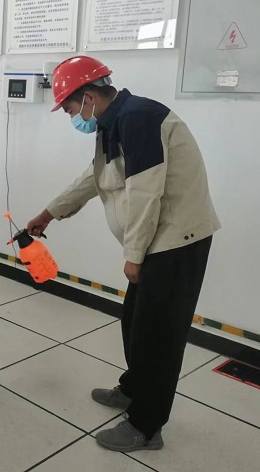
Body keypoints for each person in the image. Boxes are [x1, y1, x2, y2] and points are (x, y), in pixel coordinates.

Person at [26, 56, 220, 452]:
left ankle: (146, 427)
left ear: (88, 96)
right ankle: (134, 389)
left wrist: (134, 255)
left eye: (70, 108)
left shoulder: (139, 119)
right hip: (156, 240)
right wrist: (49, 213)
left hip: (176, 242)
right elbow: (94, 177)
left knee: (158, 337)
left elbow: (146, 192)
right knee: (134, 322)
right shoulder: (114, 122)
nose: (72, 117)